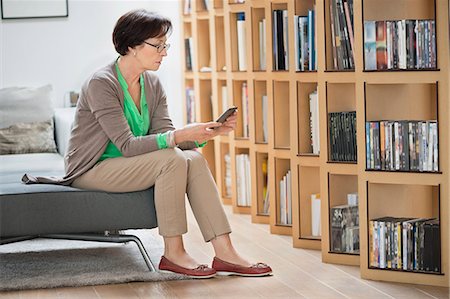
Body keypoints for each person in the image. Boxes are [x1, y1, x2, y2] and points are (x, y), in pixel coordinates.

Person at [58, 9, 272, 278]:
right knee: (170, 160)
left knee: (193, 159)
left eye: (165, 45)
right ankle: (174, 252)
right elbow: (128, 145)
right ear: (132, 46)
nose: (164, 52)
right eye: (158, 45)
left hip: (130, 165)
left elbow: (165, 136)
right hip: (92, 168)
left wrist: (203, 134)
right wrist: (180, 136)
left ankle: (225, 251)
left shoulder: (153, 83)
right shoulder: (102, 84)